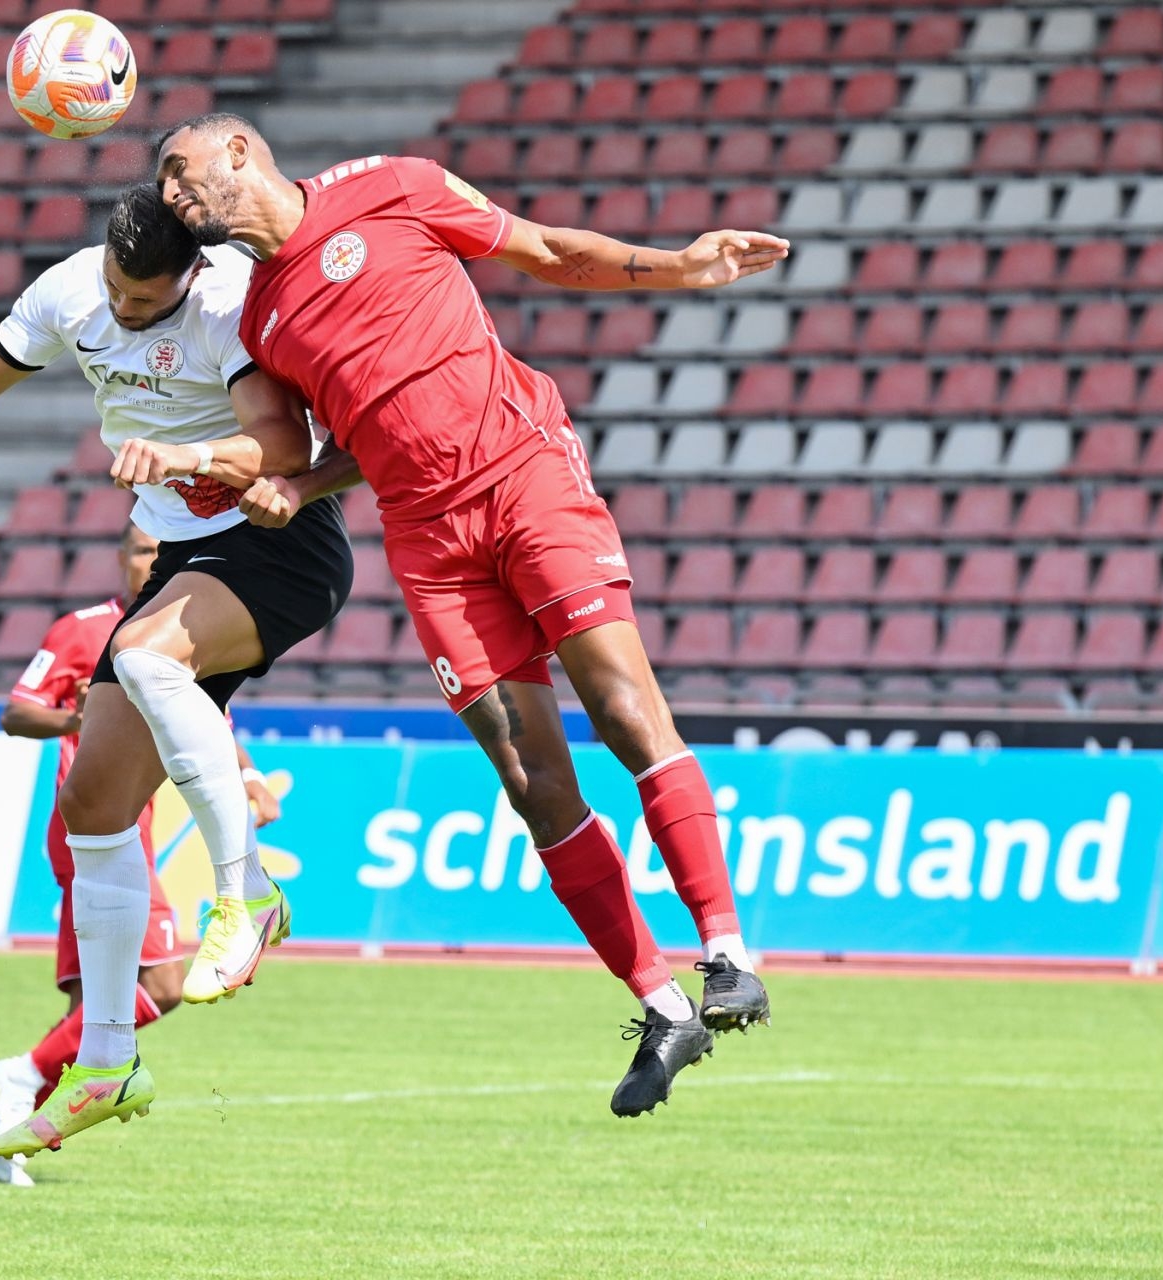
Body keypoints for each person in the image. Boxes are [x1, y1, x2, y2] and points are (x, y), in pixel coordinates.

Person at [154, 113, 789, 1119]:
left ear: (239, 151)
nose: (171, 194)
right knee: (532, 781)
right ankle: (664, 1006)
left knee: (624, 709)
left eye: (179, 170)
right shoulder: (262, 321)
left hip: (523, 474)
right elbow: (359, 439)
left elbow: (545, 250)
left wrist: (680, 267)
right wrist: (299, 485)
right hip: (428, 542)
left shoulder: (393, 188)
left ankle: (726, 953)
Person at [0, 182, 353, 1159]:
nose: (127, 312)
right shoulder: (70, 290)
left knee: (139, 653)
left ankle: (248, 892)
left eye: (148, 301)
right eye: (118, 292)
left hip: (277, 544)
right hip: (185, 559)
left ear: (191, 275)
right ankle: (105, 1058)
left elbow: (282, 443)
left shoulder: (229, 299)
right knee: (93, 801)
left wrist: (179, 453)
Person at [0, 521, 281, 1186]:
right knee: (161, 985)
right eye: (140, 551)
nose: (150, 561)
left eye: (161, 551)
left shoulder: (188, 621)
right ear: (121, 558)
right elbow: (18, 712)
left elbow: (207, 720)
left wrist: (248, 774)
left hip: (137, 832)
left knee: (93, 1015)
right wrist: (79, 720)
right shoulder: (82, 631)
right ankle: (19, 1075)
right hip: (94, 832)